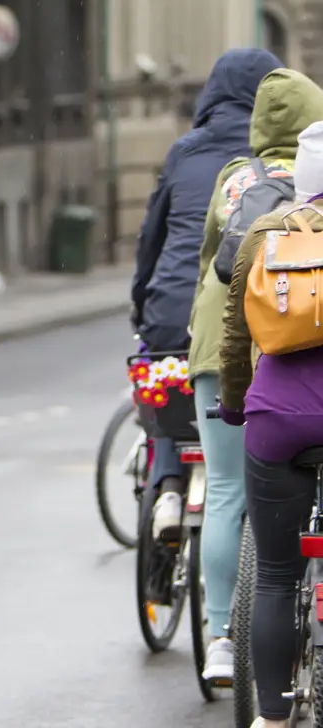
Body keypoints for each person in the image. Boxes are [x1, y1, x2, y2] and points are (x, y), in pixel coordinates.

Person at [188, 65, 323, 683]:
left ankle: (220, 635)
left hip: (228, 347)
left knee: (223, 489)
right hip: (297, 358)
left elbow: (214, 262)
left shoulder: (236, 180)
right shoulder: (313, 181)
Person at [132, 48, 280, 547]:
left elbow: (150, 241)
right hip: (247, 318)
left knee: (166, 390)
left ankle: (169, 485)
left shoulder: (185, 151)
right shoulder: (271, 161)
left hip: (171, 312)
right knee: (232, 470)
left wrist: (142, 308)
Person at [219, 120, 323, 728]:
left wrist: (235, 406)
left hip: (279, 423)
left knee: (279, 575)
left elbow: (234, 337)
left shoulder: (268, 232)